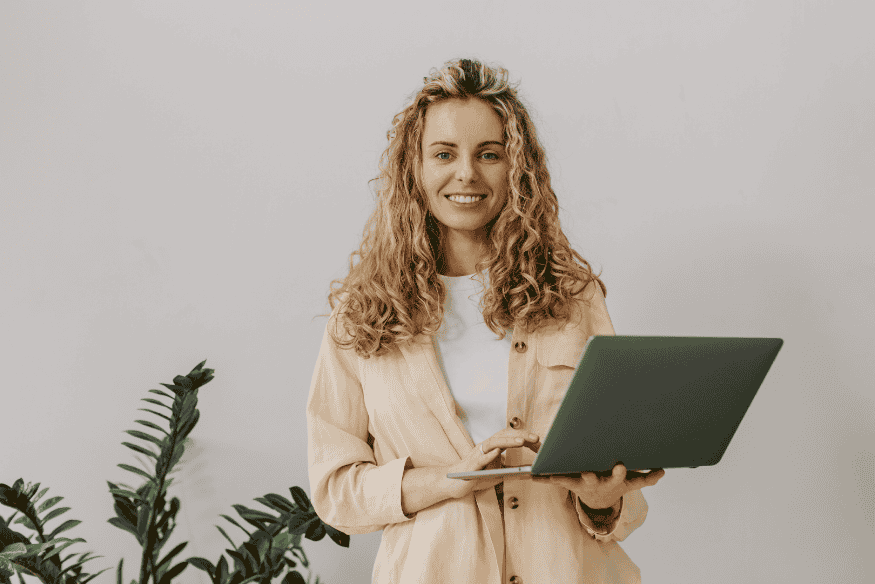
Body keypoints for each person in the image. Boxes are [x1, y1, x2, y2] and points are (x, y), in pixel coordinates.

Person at [306, 58, 666, 584]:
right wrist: (448, 481)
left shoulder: (572, 298)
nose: (467, 174)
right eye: (444, 154)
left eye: (489, 154)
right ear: (416, 170)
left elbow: (615, 467)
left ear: (516, 169)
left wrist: (603, 501)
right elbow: (335, 490)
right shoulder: (364, 314)